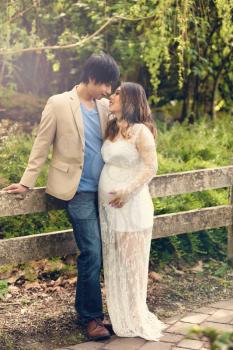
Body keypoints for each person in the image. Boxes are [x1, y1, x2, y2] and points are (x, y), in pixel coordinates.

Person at [3, 53, 120, 341]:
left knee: (107, 251)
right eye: (105, 84)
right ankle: (91, 318)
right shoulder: (58, 103)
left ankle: (116, 314)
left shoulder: (106, 107)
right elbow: (41, 144)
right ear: (92, 77)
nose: (108, 91)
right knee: (92, 250)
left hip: (105, 191)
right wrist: (27, 182)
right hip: (76, 191)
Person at [98, 82, 166, 341]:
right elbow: (93, 97)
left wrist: (126, 191)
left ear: (129, 100)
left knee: (132, 263)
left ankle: (135, 316)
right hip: (108, 209)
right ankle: (120, 314)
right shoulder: (113, 127)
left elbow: (150, 168)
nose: (111, 96)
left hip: (131, 205)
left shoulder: (141, 131)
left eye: (117, 93)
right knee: (115, 262)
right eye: (112, 92)